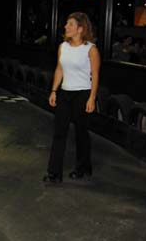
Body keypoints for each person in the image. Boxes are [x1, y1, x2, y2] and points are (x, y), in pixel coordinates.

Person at [43, 12, 101, 183]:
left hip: (82, 94)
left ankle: (83, 167)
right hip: (65, 93)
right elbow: (59, 70)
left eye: (70, 24)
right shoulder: (63, 47)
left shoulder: (90, 49)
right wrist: (54, 91)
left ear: (80, 28)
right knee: (59, 133)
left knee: (81, 133)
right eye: (66, 24)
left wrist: (92, 98)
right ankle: (54, 173)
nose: (66, 27)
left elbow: (95, 75)